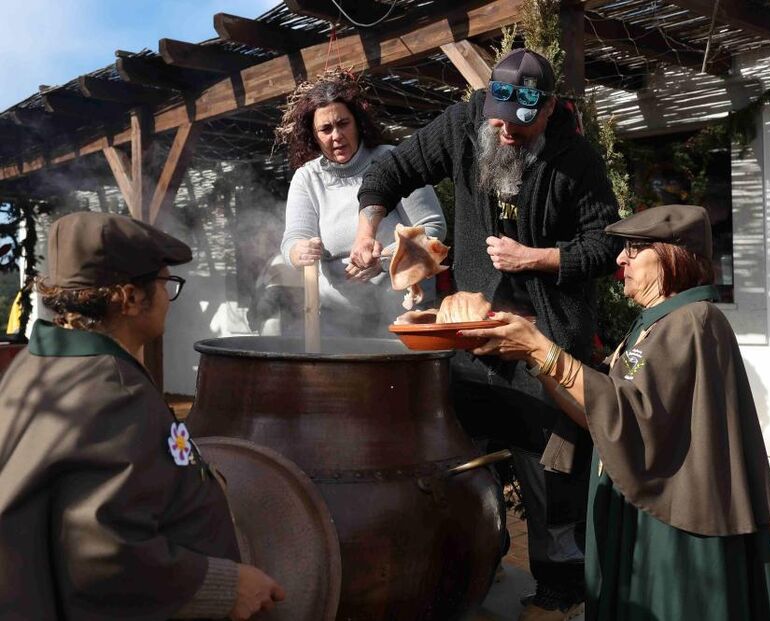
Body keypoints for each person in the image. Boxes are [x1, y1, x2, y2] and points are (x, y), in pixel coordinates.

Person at [351, 48, 622, 619]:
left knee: (553, 468)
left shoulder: (579, 158)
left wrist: (539, 257)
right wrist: (366, 227)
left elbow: (606, 246)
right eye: (498, 122)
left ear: (547, 109)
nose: (506, 134)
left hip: (546, 341)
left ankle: (561, 587)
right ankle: (480, 561)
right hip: (473, 338)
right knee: (466, 461)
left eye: (521, 126)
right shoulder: (465, 123)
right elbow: (391, 169)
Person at [459, 204, 770, 620]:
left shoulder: (693, 322)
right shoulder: (655, 323)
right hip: (645, 505)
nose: (620, 260)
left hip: (674, 525)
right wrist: (533, 358)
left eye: (634, 249)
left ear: (672, 255)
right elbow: (601, 408)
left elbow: (628, 412)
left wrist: (539, 346)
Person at [0, 212, 285, 620]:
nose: (169, 299)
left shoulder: (35, 365)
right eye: (165, 284)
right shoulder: (111, 389)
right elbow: (100, 551)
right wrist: (226, 588)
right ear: (129, 297)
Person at [277, 68, 446, 337]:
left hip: (405, 314)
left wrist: (385, 260)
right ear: (313, 135)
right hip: (337, 323)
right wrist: (299, 252)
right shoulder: (306, 179)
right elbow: (292, 241)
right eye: (325, 128)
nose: (336, 135)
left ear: (358, 122)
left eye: (343, 123)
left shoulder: (394, 160)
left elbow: (434, 228)